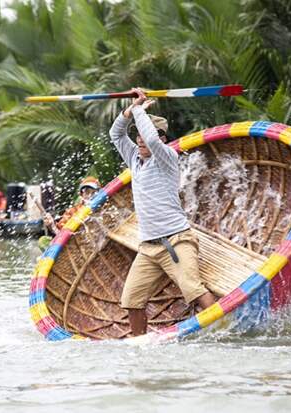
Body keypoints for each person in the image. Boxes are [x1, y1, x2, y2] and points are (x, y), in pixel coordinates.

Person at [109, 87, 217, 336]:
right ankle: (141, 345)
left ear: (162, 139)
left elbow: (153, 140)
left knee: (193, 289)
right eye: (138, 139)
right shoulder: (135, 159)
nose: (140, 143)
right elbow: (116, 134)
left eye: (144, 139)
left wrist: (139, 109)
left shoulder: (166, 157)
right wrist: (129, 110)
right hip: (149, 247)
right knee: (131, 300)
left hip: (177, 240)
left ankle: (223, 331)